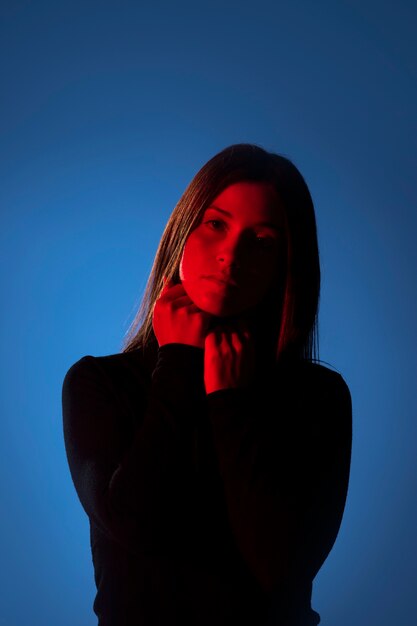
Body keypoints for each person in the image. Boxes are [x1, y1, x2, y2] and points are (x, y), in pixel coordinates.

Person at [62, 143, 352, 626]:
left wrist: (229, 403)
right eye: (216, 225)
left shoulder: (318, 396)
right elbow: (134, 523)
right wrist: (178, 361)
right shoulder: (99, 384)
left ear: (285, 265)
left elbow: (282, 571)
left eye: (261, 241)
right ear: (182, 231)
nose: (230, 256)